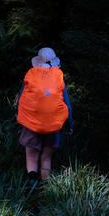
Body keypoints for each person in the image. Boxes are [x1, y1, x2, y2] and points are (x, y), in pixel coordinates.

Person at [16, 47, 73, 187]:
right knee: (46, 157)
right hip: (53, 125)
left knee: (31, 156)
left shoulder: (31, 75)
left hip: (31, 124)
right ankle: (45, 189)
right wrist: (69, 124)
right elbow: (67, 105)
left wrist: (21, 116)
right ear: (54, 62)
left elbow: (21, 100)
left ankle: (32, 186)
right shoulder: (58, 77)